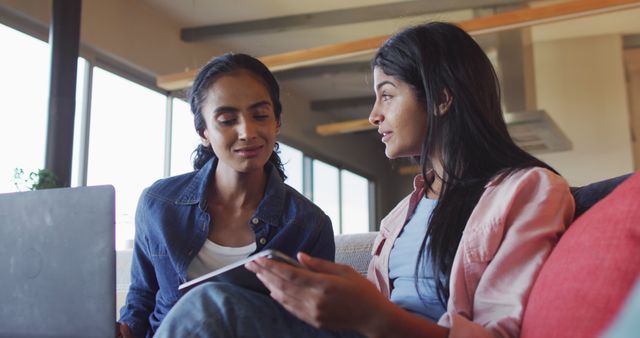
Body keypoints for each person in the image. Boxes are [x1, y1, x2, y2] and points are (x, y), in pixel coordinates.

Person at [154, 22, 575, 338]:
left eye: (387, 94)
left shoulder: (527, 191)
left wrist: (373, 314)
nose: (374, 114)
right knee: (217, 307)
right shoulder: (400, 217)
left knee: (213, 308)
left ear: (443, 98)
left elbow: (500, 330)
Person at [116, 53, 335, 338]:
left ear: (277, 122)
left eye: (260, 116)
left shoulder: (309, 225)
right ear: (203, 131)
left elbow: (311, 325)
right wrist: (125, 330)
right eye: (227, 120)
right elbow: (142, 297)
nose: (247, 132)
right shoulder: (159, 204)